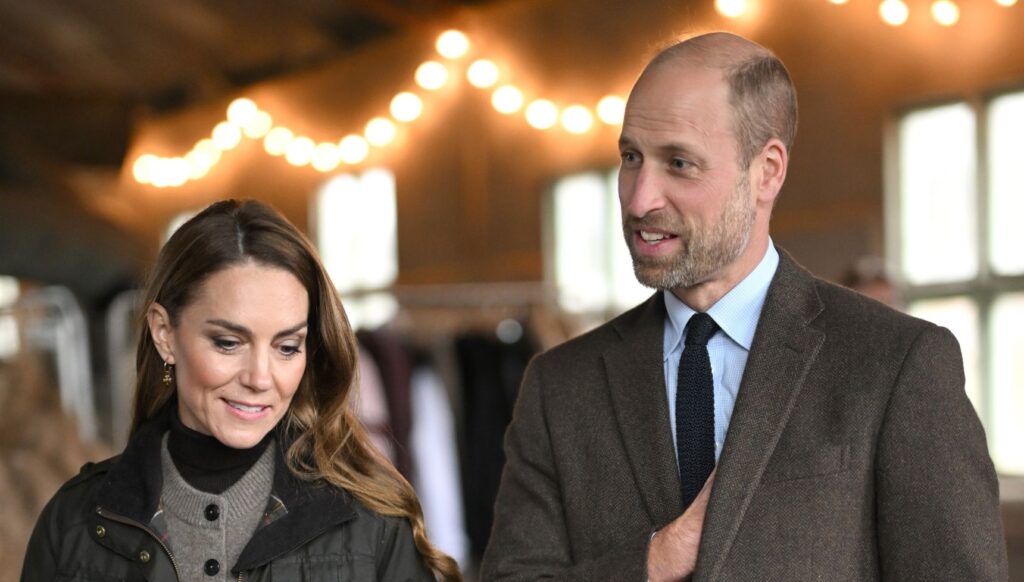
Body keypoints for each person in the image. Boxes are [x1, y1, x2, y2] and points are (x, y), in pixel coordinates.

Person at [481, 32, 1007, 581]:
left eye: (679, 163)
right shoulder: (560, 386)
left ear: (767, 171)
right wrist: (655, 559)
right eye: (631, 157)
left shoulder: (896, 364)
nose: (639, 199)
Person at [21, 199, 461, 581]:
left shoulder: (375, 524)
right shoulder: (74, 522)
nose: (260, 377)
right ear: (164, 334)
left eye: (287, 347)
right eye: (229, 342)